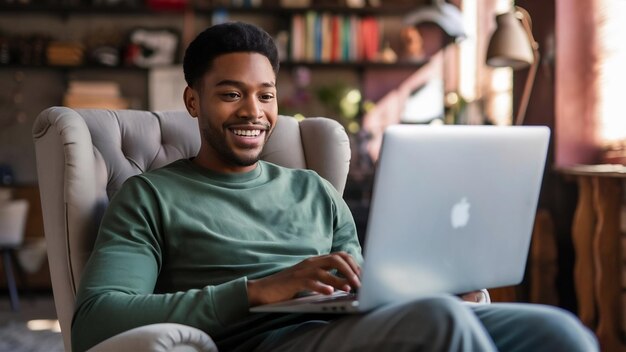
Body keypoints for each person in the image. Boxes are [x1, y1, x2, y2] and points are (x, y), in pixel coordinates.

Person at [72, 22, 598, 352]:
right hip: (263, 342)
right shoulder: (150, 196)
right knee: (439, 324)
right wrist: (259, 290)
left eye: (266, 95)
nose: (253, 112)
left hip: (349, 331)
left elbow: (363, 287)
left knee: (558, 332)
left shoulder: (314, 191)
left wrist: (424, 287)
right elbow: (97, 321)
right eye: (231, 94)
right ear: (193, 102)